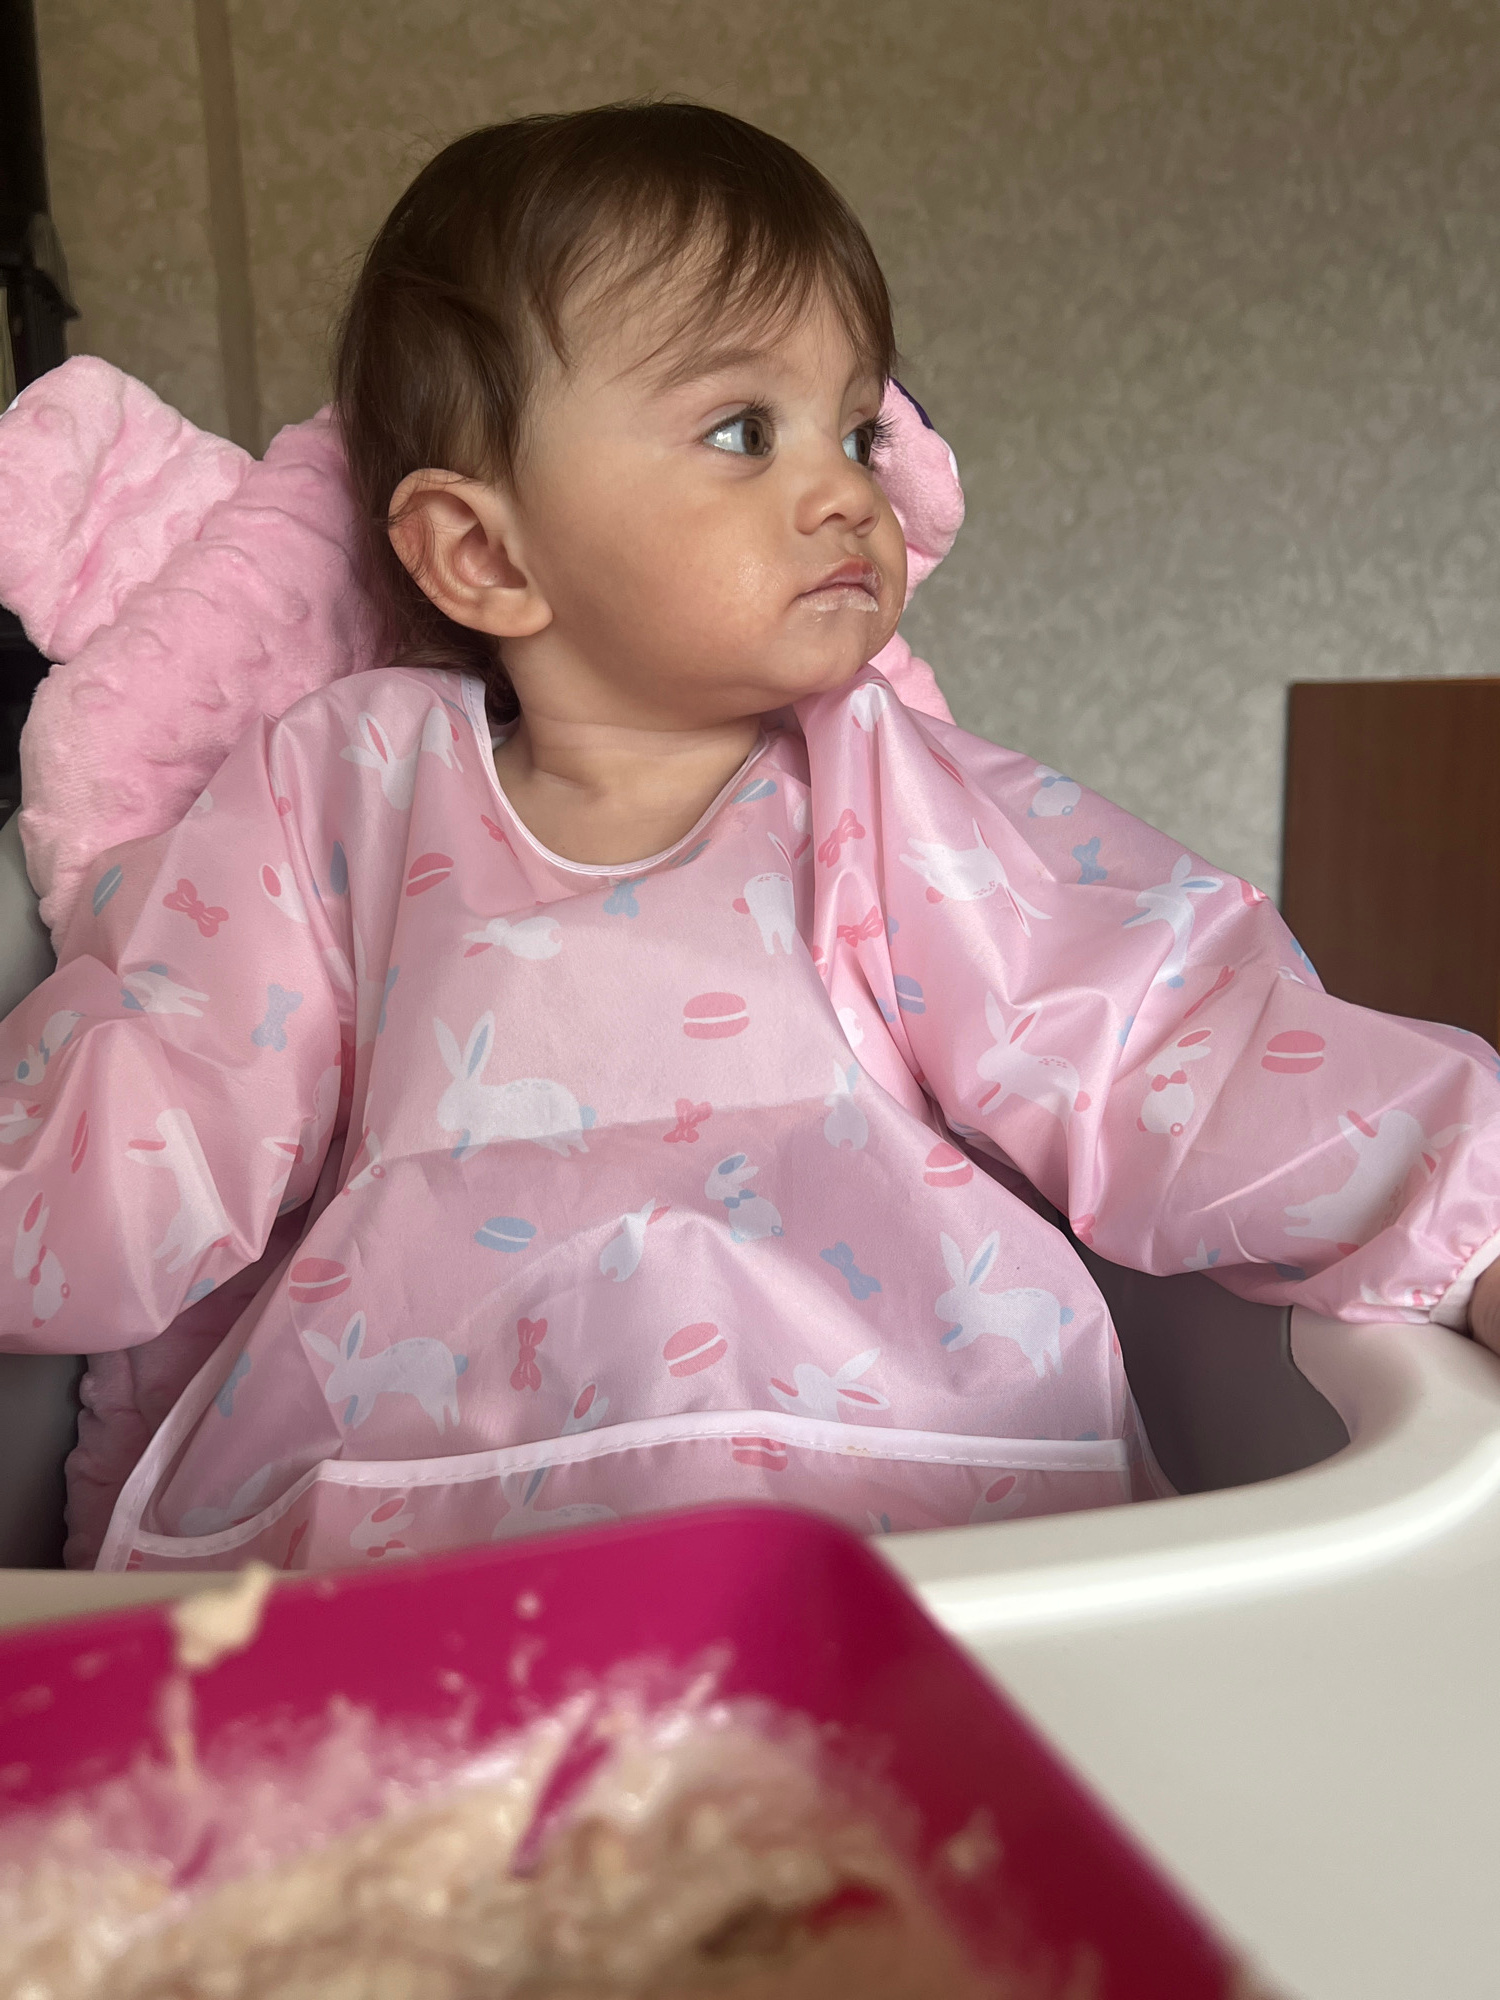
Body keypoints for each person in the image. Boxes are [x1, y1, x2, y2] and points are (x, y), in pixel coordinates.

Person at [4, 102, 1498, 1573]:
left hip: (894, 1487)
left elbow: (1158, 1030)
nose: (848, 489)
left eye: (855, 429)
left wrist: (1470, 1220)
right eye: (743, 431)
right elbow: (165, 1097)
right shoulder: (346, 783)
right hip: (417, 1501)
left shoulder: (877, 783)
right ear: (484, 552)